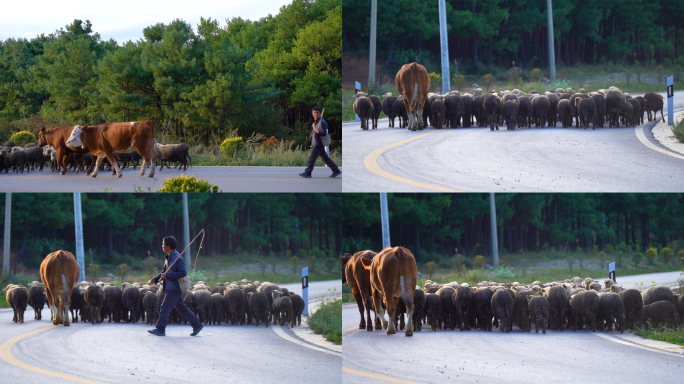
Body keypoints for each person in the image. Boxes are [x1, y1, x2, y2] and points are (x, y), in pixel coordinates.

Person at [147, 236, 204, 336]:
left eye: (163, 244)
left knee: (165, 307)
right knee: (181, 308)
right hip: (171, 286)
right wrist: (155, 279)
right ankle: (197, 324)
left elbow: (182, 272)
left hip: (175, 287)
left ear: (168, 246)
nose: (162, 246)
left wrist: (168, 276)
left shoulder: (177, 257)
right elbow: (165, 272)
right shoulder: (169, 257)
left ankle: (160, 329)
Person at [299, 107, 341, 178]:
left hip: (318, 143)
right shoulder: (316, 122)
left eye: (317, 112)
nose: (316, 114)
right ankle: (336, 170)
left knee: (311, 159)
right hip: (317, 143)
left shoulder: (322, 122)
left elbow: (324, 133)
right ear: (312, 114)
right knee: (325, 159)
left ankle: (308, 172)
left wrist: (319, 132)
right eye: (314, 112)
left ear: (320, 113)